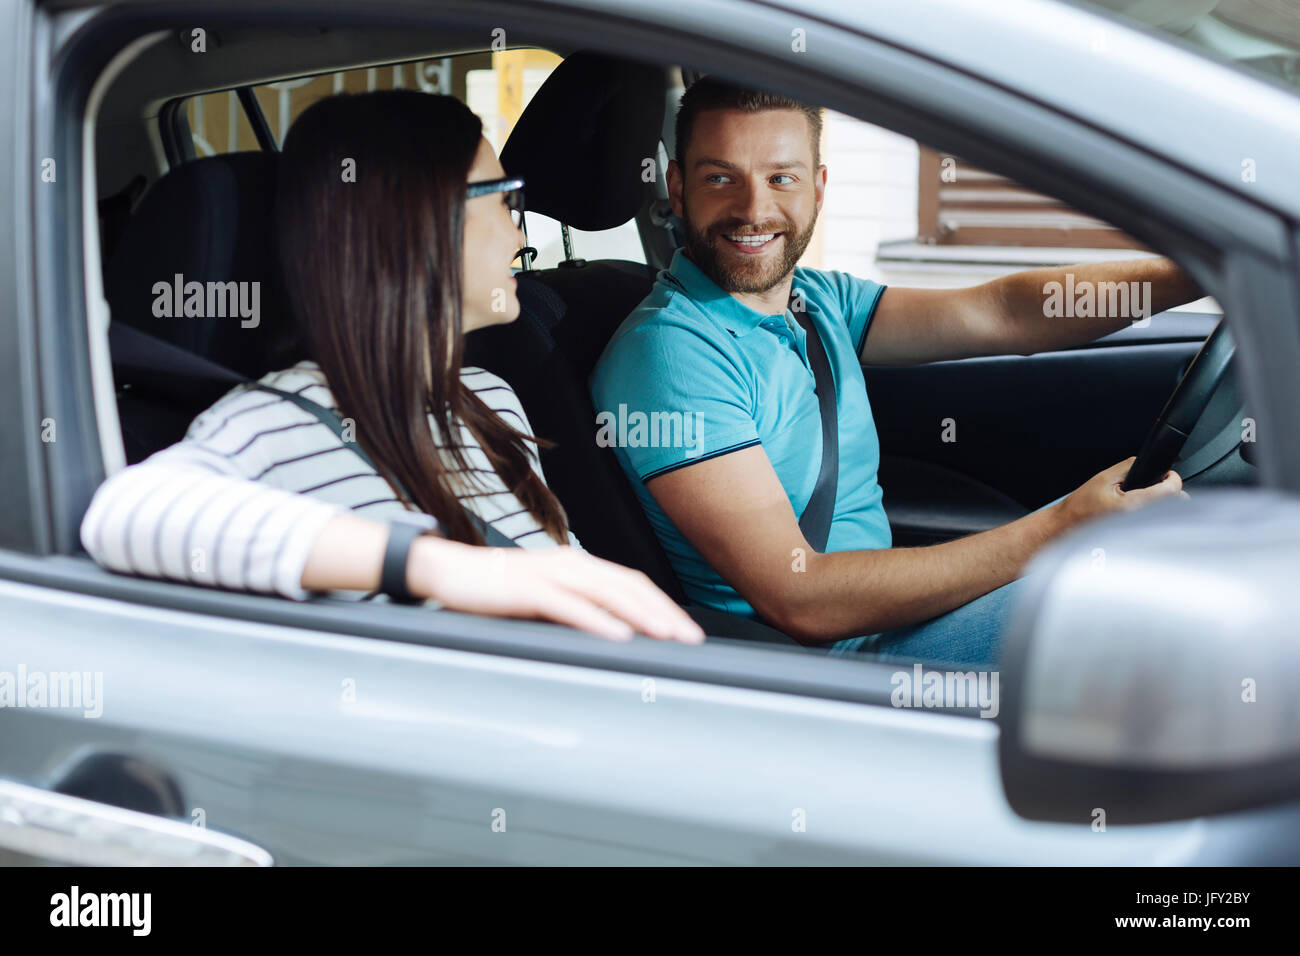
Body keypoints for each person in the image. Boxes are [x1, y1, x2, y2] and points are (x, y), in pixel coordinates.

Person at [590, 77, 1196, 664]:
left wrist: (1196, 276)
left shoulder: (817, 302)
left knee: (1172, 563)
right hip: (837, 666)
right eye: (721, 178)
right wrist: (1059, 528)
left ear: (819, 189)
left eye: (782, 178)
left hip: (889, 622)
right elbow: (800, 599)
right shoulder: (670, 354)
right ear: (676, 185)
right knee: (1166, 601)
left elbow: (1001, 312)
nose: (754, 209)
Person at [81, 90, 703, 646]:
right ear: (417, 224)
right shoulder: (277, 421)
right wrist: (439, 565)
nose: (519, 233)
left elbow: (556, 574)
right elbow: (127, 512)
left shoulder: (487, 399)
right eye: (501, 199)